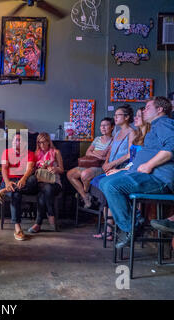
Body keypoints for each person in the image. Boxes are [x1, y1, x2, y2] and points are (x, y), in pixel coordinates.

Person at [99, 97, 174, 249]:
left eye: (147, 107)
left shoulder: (164, 123)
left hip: (158, 178)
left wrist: (149, 164)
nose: (144, 110)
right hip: (143, 174)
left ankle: (131, 227)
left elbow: (172, 146)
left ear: (159, 110)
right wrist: (124, 169)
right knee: (104, 181)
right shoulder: (155, 126)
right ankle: (135, 221)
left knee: (112, 186)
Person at [93, 107, 150, 241]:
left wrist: (115, 167)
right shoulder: (120, 132)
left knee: (107, 187)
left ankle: (127, 224)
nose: (115, 117)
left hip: (127, 169)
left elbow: (132, 157)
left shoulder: (133, 133)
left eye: (118, 115)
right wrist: (107, 163)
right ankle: (113, 227)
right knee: (99, 185)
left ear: (126, 117)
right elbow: (111, 151)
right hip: (121, 168)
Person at [67, 118, 114, 208]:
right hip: (90, 164)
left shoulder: (113, 140)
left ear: (112, 127)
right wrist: (100, 154)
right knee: (70, 174)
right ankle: (85, 197)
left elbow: (107, 156)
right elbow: (88, 152)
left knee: (85, 175)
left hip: (100, 167)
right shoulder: (97, 139)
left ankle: (84, 192)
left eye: (106, 125)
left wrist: (95, 153)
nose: (103, 127)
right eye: (101, 125)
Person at [0, 133, 37, 241]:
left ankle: (2, 191)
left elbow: (29, 169)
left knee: (33, 180)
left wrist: (23, 179)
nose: (15, 142)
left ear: (24, 143)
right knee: (16, 193)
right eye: (14, 140)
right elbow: (4, 168)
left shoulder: (30, 153)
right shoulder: (6, 152)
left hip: (24, 181)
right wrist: (6, 182)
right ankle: (17, 228)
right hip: (9, 181)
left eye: (19, 140)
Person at [28, 132, 64, 233]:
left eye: (44, 142)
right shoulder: (36, 153)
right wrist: (39, 167)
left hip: (55, 183)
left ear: (49, 142)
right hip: (41, 183)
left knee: (44, 191)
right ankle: (51, 215)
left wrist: (55, 169)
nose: (42, 145)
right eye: (39, 143)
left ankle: (38, 224)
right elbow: (32, 170)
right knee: (44, 190)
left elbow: (62, 169)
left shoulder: (56, 152)